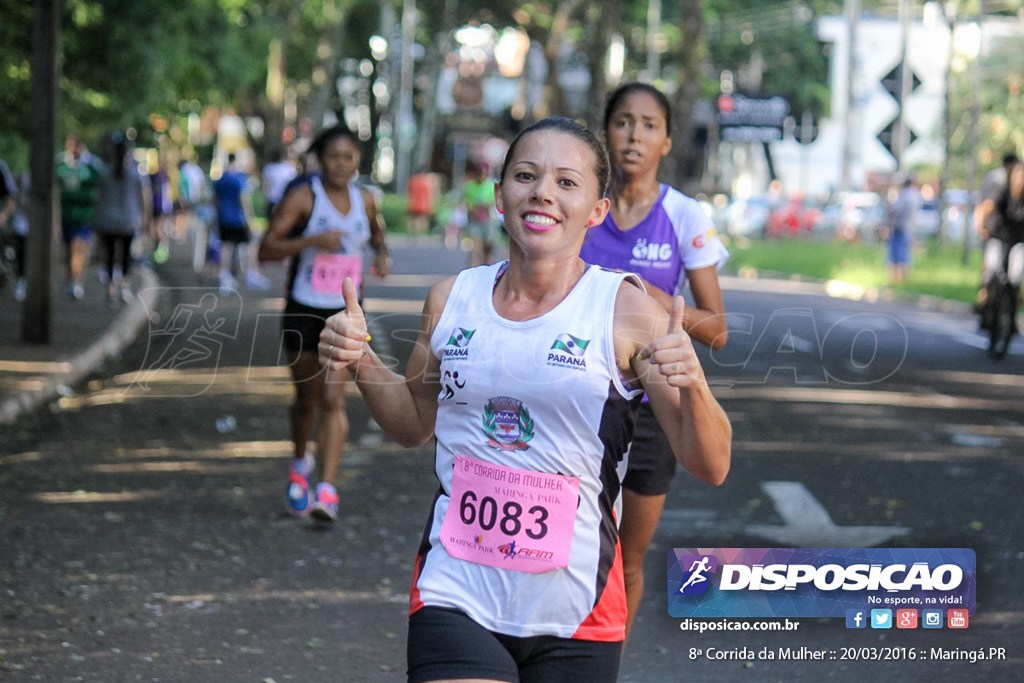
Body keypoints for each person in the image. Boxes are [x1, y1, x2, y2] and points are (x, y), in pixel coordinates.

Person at [319, 117, 731, 681]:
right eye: (526, 175)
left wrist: (695, 382)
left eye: (567, 182)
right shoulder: (452, 299)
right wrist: (359, 358)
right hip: (456, 590)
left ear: (596, 211)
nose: (542, 192)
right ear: (499, 195)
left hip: (577, 609)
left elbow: (711, 463)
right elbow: (415, 423)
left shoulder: (626, 312)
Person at [577, 82, 729, 642]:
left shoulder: (686, 216)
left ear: (666, 140)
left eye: (647, 124)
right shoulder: (581, 204)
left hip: (653, 411)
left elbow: (717, 330)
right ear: (605, 131)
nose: (633, 135)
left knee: (626, 560)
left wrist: (659, 304)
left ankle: (602, 660)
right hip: (579, 399)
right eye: (622, 121)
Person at [257, 125, 391, 523]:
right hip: (304, 308)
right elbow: (265, 248)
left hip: (346, 311)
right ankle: (300, 465)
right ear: (320, 159)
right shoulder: (304, 196)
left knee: (333, 399)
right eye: (334, 157)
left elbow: (378, 236)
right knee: (307, 400)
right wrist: (311, 241)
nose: (341, 164)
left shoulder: (365, 199)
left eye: (349, 157)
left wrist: (382, 255)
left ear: (358, 161)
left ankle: (327, 490)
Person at [93, 133, 150, 305]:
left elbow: (98, 198)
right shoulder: (136, 174)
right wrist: (145, 219)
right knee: (126, 256)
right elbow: (144, 198)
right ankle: (124, 289)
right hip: (128, 221)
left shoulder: (105, 172)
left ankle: (111, 290)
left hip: (107, 221)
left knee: (110, 256)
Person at [56, 134, 103, 299]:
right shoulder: (60, 163)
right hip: (66, 215)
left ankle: (76, 282)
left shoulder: (93, 165)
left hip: (84, 216)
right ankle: (71, 280)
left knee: (79, 248)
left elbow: (101, 190)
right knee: (68, 251)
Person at [974, 160, 1024, 314]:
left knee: (1016, 274)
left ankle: (1013, 308)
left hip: (1018, 241)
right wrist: (981, 226)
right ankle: (984, 296)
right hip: (997, 237)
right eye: (1017, 176)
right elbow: (987, 207)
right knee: (992, 268)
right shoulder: (1001, 190)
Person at [213, 152, 256, 295]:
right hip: (238, 218)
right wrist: (249, 218)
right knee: (247, 246)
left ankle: (224, 275)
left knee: (226, 247)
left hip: (223, 217)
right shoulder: (239, 178)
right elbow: (244, 200)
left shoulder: (220, 179)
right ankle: (248, 274)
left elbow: (216, 200)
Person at [884, 175, 920, 284]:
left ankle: (896, 281)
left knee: (895, 257)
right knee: (905, 256)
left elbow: (894, 209)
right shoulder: (915, 194)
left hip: (899, 228)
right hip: (909, 228)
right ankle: (906, 281)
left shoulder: (904, 195)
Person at [463, 160, 500, 267]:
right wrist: (473, 209)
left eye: (484, 172)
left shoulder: (491, 186)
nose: (482, 175)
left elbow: (493, 202)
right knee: (476, 248)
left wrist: (484, 206)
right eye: (480, 172)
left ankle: (487, 268)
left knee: (488, 247)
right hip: (475, 220)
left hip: (489, 220)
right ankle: (472, 271)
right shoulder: (469, 186)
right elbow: (466, 202)